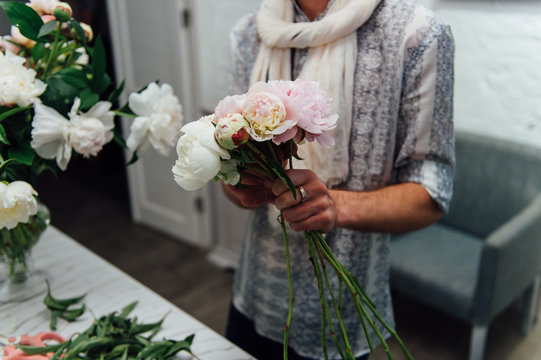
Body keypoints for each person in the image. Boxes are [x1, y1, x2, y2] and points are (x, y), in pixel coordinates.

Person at [222, 0, 455, 359]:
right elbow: (232, 178)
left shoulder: (416, 33)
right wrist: (237, 183)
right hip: (256, 296)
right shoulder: (248, 33)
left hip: (342, 312)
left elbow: (431, 192)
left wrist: (335, 205)